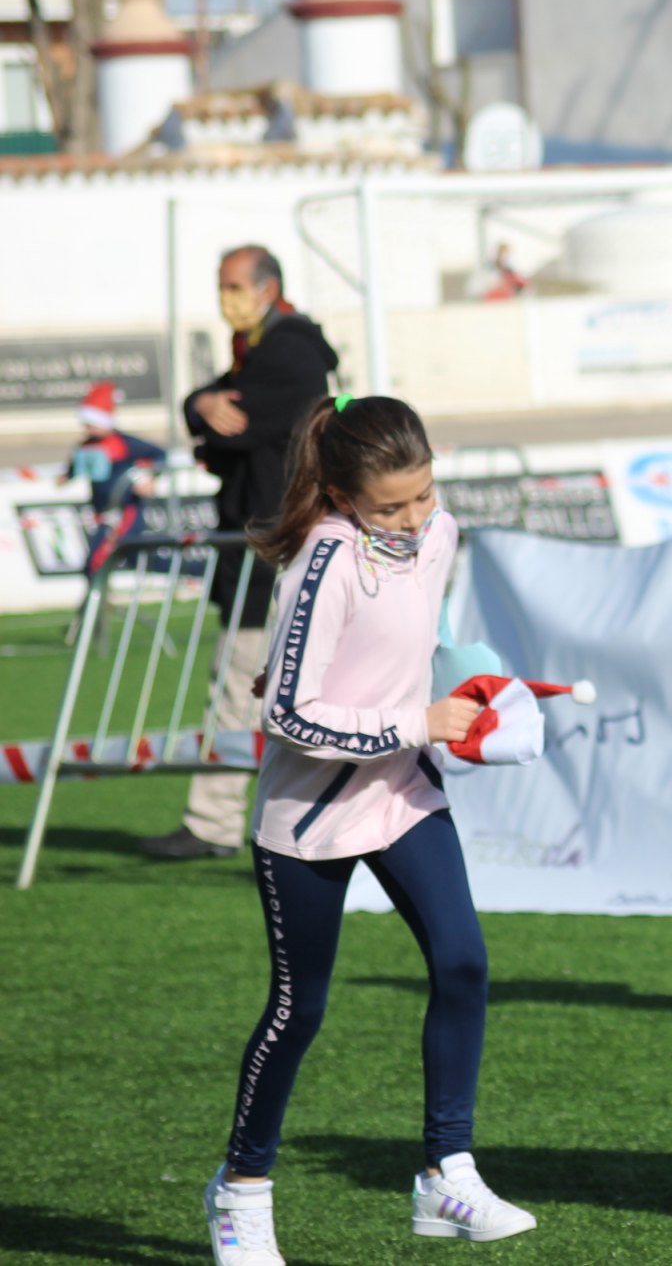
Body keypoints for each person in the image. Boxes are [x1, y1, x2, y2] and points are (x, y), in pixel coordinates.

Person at [202, 395, 535, 1265]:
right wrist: (417, 724)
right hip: (308, 816)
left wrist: (482, 705)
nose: (414, 519)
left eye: (423, 496)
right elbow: (287, 712)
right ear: (344, 496)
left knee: (464, 962)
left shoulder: (443, 534)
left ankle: (445, 1174)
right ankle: (240, 1191)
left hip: (402, 793)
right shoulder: (324, 558)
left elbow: (411, 653)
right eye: (391, 507)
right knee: (298, 1009)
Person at [145, 246, 338, 860]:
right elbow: (214, 409)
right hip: (269, 546)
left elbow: (239, 427)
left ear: (267, 286)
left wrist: (206, 416)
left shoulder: (285, 351)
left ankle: (213, 822)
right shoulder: (262, 348)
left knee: (239, 684)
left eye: (233, 284)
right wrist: (203, 406)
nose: (225, 295)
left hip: (269, 548)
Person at [69, 380, 166, 576]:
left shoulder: (123, 443)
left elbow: (159, 455)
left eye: (91, 423)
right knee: (128, 557)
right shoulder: (85, 446)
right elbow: (73, 469)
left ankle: (93, 605)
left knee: (98, 561)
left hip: (124, 511)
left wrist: (146, 477)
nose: (87, 429)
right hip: (103, 513)